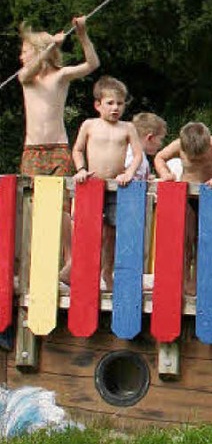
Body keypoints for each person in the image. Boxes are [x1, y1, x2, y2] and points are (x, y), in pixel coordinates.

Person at [18, 15, 99, 284]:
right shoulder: (27, 78)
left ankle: (71, 259)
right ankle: (33, 261)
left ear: (38, 52)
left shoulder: (60, 76)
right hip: (33, 151)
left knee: (61, 207)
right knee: (34, 205)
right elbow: (27, 72)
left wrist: (82, 34)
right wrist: (50, 48)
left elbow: (92, 64)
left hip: (58, 149)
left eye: (25, 51)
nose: (21, 56)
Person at [72, 76, 143, 290]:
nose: (115, 108)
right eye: (110, 103)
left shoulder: (127, 128)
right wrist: (81, 170)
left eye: (120, 104)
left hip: (115, 187)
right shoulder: (90, 125)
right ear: (98, 105)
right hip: (92, 185)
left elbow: (138, 155)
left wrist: (129, 173)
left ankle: (107, 271)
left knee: (112, 232)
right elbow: (77, 149)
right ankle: (85, 274)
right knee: (88, 231)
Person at [154, 122, 212, 292]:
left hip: (210, 198)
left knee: (204, 240)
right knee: (186, 240)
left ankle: (198, 280)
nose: (195, 159)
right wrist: (165, 173)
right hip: (188, 198)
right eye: (191, 156)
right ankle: (186, 279)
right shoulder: (179, 145)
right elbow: (159, 157)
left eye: (200, 155)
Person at [124, 112, 168, 181]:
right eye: (160, 139)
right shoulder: (131, 153)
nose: (161, 144)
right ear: (149, 138)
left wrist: (147, 178)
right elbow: (125, 175)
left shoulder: (141, 155)